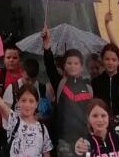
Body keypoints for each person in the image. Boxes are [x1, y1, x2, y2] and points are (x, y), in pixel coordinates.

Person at [42, 25, 93, 157]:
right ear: (64, 66)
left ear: (81, 67)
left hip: (85, 139)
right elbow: (50, 67)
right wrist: (46, 44)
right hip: (64, 140)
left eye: (76, 63)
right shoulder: (60, 83)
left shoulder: (88, 87)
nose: (72, 66)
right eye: (69, 63)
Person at [0, 77, 52, 157]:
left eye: (31, 101)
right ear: (17, 102)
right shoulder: (14, 120)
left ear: (37, 103)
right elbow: (0, 104)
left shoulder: (42, 129)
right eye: (23, 100)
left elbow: (46, 153)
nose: (27, 105)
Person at [3, 58, 54, 129]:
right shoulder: (12, 89)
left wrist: (39, 117)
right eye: (27, 79)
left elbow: (49, 114)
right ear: (21, 72)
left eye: (33, 80)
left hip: (36, 132)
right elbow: (5, 114)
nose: (30, 83)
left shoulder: (42, 89)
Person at [91, 43, 119, 114]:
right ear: (102, 60)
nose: (110, 62)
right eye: (107, 59)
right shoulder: (96, 82)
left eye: (114, 60)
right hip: (102, 120)